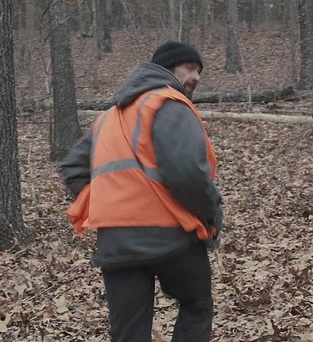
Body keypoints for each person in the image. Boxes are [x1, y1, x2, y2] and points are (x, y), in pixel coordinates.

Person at [60, 40, 223, 342]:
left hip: (117, 244)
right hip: (172, 238)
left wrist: (113, 202)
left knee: (129, 334)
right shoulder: (169, 103)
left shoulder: (107, 119)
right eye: (190, 68)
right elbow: (187, 174)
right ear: (168, 68)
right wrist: (212, 215)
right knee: (197, 307)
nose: (196, 77)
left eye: (199, 71)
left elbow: (72, 168)